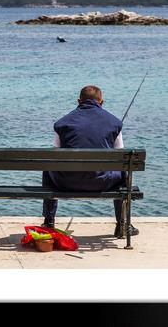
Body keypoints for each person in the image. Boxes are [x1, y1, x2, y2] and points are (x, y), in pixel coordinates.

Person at [42, 85, 139, 238]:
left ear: (79, 101)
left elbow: (55, 155)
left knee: (47, 167)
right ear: (102, 102)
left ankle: (48, 221)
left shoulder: (62, 123)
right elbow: (120, 155)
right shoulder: (114, 123)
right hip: (101, 182)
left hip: (66, 182)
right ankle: (122, 223)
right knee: (122, 171)